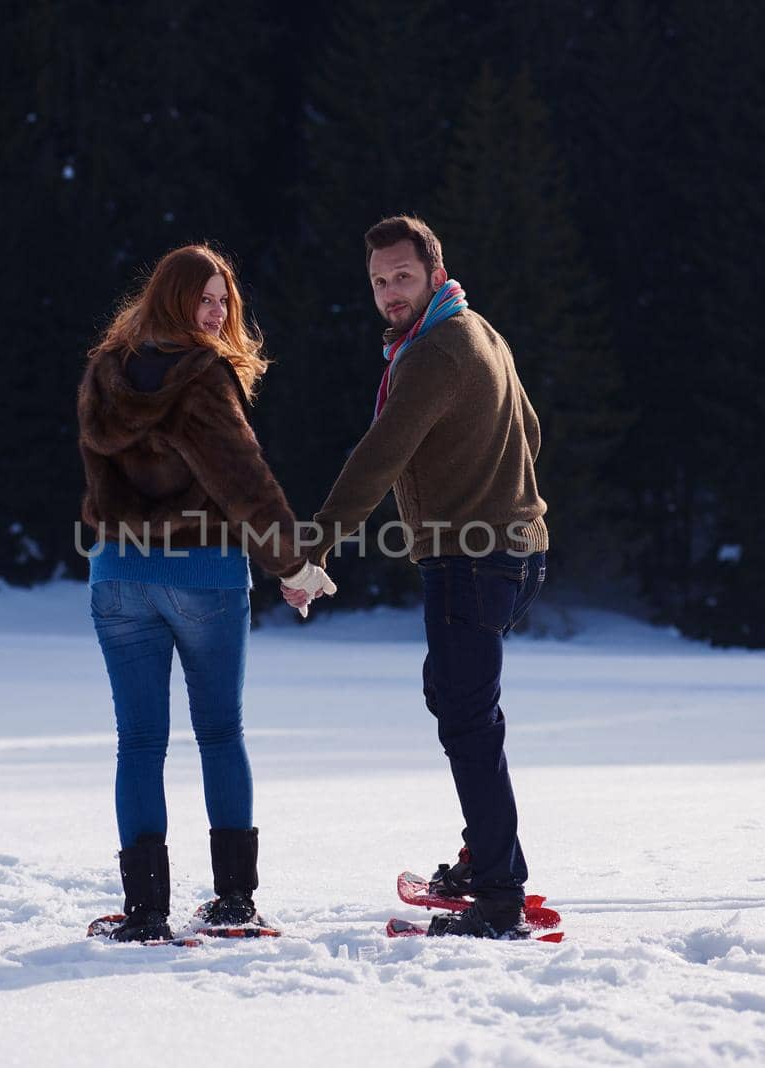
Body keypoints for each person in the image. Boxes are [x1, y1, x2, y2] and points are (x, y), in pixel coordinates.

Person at [284, 215, 548, 938]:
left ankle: (498, 896)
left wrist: (316, 549)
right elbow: (529, 427)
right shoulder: (476, 329)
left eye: (402, 276)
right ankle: (487, 855)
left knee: (467, 721)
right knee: (457, 700)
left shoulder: (435, 353)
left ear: (434, 271)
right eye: (377, 281)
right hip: (515, 553)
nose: (390, 292)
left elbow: (380, 456)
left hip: (472, 559)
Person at [78, 244, 335, 942]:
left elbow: (100, 482)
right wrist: (294, 565)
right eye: (204, 297)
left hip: (118, 574)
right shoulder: (201, 376)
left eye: (224, 298)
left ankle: (145, 914)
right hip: (203, 574)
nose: (217, 310)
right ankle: (232, 904)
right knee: (220, 733)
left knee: (139, 742)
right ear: (171, 298)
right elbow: (242, 480)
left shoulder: (106, 371)